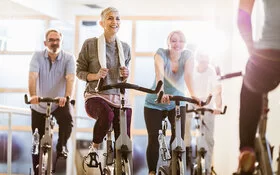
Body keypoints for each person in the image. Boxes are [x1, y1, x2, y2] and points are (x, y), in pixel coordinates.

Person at [76, 7, 131, 165]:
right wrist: (95, 75)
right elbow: (79, 71)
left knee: (124, 139)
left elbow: (124, 75)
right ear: (101, 23)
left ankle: (121, 165)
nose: (115, 22)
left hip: (118, 96)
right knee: (107, 115)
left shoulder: (125, 48)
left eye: (117, 18)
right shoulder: (90, 44)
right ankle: (94, 148)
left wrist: (125, 73)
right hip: (96, 95)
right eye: (110, 18)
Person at [144, 30, 197, 175]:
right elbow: (159, 74)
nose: (177, 44)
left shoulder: (188, 55)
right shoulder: (161, 53)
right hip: (154, 103)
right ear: (168, 42)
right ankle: (152, 172)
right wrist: (161, 91)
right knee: (153, 138)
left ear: (185, 43)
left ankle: (174, 168)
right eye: (173, 40)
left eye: (181, 41)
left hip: (177, 103)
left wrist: (194, 95)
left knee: (178, 138)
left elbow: (188, 76)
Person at [237, 0, 280, 174]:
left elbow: (242, 19)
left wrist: (252, 51)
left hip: (268, 53)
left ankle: (247, 150)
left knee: (250, 92)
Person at [28, 29, 75, 174]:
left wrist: (66, 97)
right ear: (45, 42)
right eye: (51, 40)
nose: (54, 43)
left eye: (57, 40)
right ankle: (37, 171)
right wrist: (33, 96)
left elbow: (70, 79)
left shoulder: (68, 58)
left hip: (59, 103)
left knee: (67, 119)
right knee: (37, 143)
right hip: (39, 104)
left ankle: (62, 146)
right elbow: (32, 76)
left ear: (61, 42)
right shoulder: (37, 56)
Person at [188, 49, 222, 174]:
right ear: (198, 59)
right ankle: (187, 163)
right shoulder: (191, 71)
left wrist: (218, 106)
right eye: (202, 59)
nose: (205, 62)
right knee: (187, 133)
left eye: (207, 59)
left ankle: (206, 169)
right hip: (192, 102)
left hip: (207, 104)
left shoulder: (211, 71)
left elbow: (217, 89)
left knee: (209, 139)